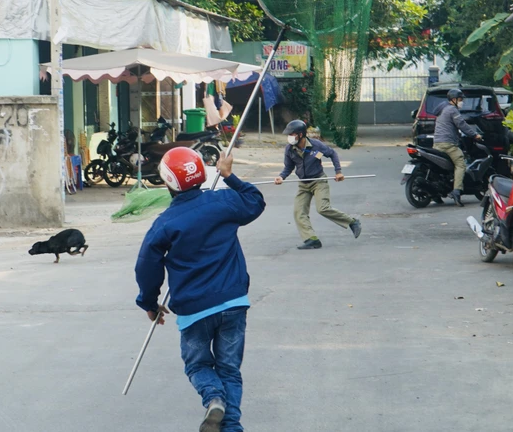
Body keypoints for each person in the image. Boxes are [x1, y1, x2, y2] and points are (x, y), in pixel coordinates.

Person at [135, 147, 265, 432]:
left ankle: (213, 398)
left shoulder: (164, 224)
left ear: (168, 182)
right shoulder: (225, 202)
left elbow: (146, 266)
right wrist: (230, 176)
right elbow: (255, 201)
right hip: (233, 303)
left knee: (198, 366)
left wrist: (149, 302)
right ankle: (231, 427)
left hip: (194, 312)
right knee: (229, 370)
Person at [274, 119, 361, 250]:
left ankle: (352, 222)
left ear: (301, 135)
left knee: (322, 208)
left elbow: (332, 154)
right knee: (299, 212)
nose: (290, 137)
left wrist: (338, 172)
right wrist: (281, 177)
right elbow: (288, 167)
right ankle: (311, 239)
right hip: (303, 184)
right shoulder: (290, 149)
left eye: (292, 134)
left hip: (318, 181)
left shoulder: (316, 146)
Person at [433, 88, 482, 207]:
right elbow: (462, 124)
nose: (461, 102)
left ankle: (437, 194)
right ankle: (456, 191)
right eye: (460, 99)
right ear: (453, 100)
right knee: (460, 164)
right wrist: (475, 135)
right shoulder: (452, 110)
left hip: (437, 143)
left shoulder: (442, 109)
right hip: (448, 144)